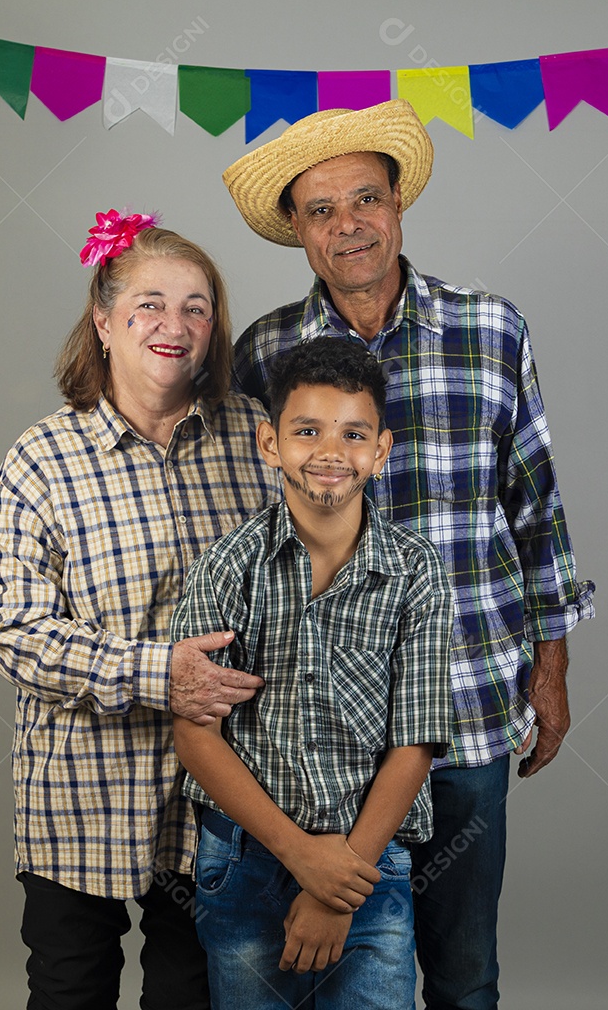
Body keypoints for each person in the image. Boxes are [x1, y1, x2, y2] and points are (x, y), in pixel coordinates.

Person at [222, 100, 596, 1010]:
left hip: (467, 699)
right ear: (299, 234)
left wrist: (550, 670)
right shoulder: (266, 350)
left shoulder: (491, 329)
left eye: (365, 199)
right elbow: (228, 510)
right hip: (323, 726)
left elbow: (536, 509)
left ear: (398, 207)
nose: (348, 224)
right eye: (321, 210)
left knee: (464, 970)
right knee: (342, 968)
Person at [0, 210, 281, 1010]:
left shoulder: (258, 440)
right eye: (148, 303)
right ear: (104, 323)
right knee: (72, 991)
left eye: (196, 307)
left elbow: (311, 574)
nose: (173, 324)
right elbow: (10, 628)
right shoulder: (41, 457)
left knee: (191, 994)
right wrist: (160, 673)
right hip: (82, 793)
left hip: (217, 798)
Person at [170, 337, 453, 1009]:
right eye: (307, 431)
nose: (330, 452)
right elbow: (196, 735)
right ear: (271, 444)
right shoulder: (227, 567)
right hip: (245, 857)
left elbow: (415, 742)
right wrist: (299, 855)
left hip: (369, 862)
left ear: (380, 451)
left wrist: (340, 881)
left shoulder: (417, 572)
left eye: (354, 434)